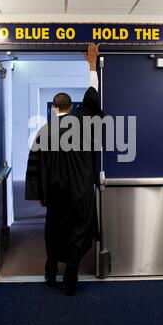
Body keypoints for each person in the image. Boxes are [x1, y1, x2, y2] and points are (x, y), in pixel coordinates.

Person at [25, 43, 102, 295]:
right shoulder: (83, 123)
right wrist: (91, 65)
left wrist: (40, 195)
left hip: (56, 196)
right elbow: (92, 97)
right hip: (81, 194)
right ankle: (71, 276)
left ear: (54, 108)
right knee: (78, 233)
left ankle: (50, 272)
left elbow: (34, 167)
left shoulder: (43, 132)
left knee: (54, 231)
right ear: (70, 107)